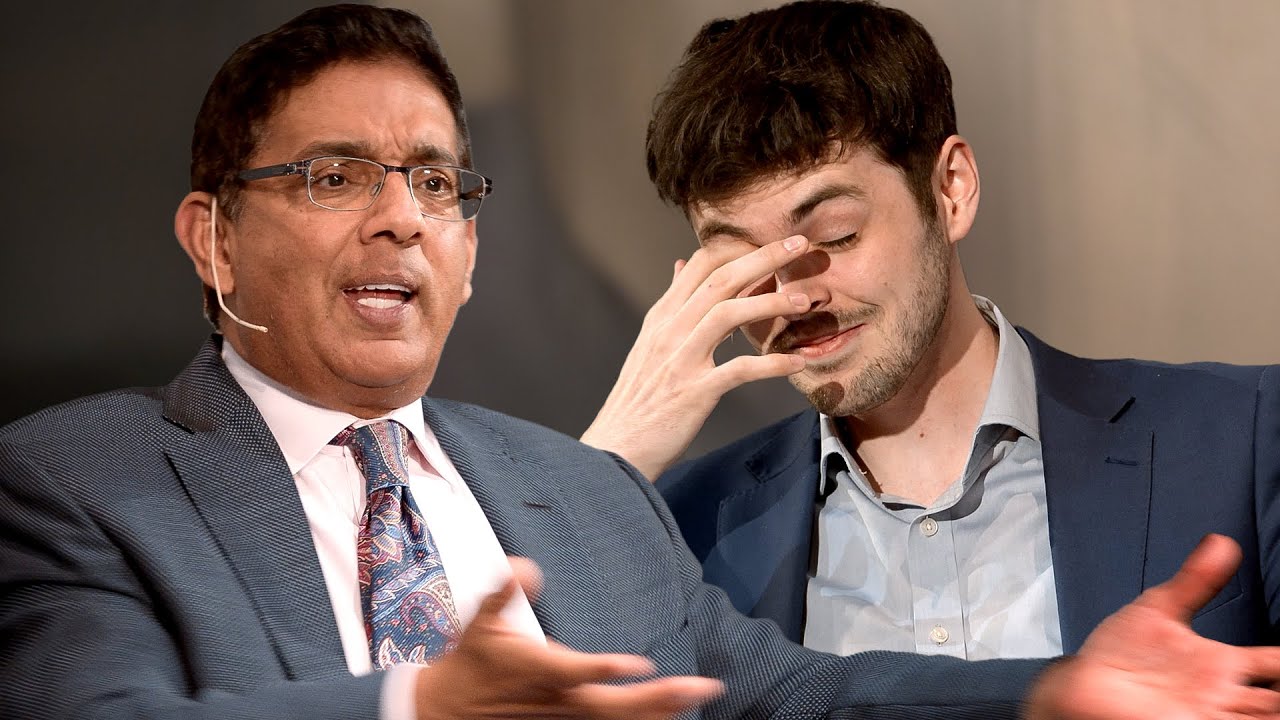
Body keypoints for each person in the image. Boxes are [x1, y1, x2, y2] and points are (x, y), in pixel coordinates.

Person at [1, 4, 1279, 720]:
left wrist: (1049, 694)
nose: (400, 217)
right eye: (336, 177)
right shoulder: (73, 478)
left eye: (436, 183)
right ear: (212, 239)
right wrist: (416, 710)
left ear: (470, 247)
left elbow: (786, 694)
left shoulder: (575, 493)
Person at [582, 0, 1280, 660]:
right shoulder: (675, 528)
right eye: (744, 264)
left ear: (951, 190)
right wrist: (605, 465)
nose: (793, 298)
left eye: (835, 234)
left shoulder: (1239, 441)